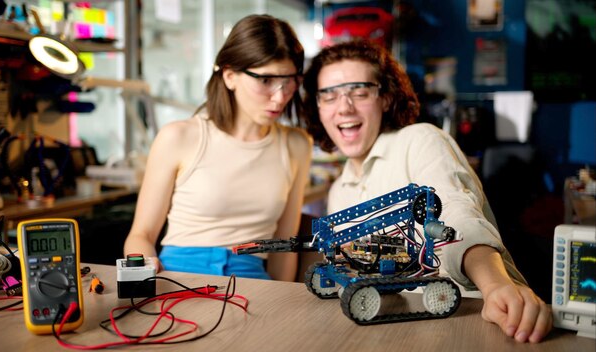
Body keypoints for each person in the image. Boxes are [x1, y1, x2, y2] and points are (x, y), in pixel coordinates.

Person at [300, 40, 552, 343]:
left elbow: (456, 215)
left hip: (471, 323)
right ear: (317, 106)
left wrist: (496, 284)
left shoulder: (420, 140)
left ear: (385, 97)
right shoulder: (340, 189)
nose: (344, 107)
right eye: (329, 95)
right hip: (392, 334)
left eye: (360, 91)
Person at [123, 14, 312, 282]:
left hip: (252, 283)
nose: (280, 96)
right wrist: (144, 273)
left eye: (289, 80)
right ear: (230, 76)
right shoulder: (178, 137)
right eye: (266, 80)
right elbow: (140, 235)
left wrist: (282, 306)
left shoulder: (296, 145)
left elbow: (284, 246)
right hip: (176, 277)